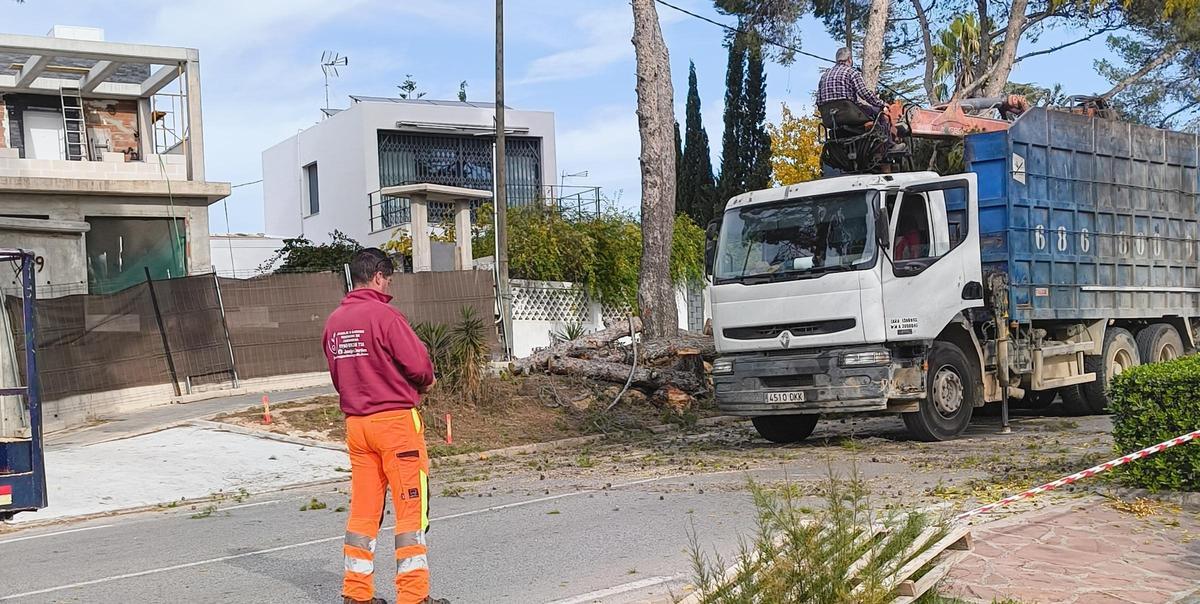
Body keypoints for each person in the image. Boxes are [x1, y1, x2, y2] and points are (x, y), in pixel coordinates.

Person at [323, 248, 449, 604]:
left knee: (364, 510)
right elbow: (420, 366)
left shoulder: (334, 322)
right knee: (411, 510)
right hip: (395, 425)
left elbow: (339, 375)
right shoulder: (385, 316)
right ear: (379, 275)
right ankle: (413, 596)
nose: (388, 286)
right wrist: (425, 383)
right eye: (388, 279)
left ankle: (356, 594)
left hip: (357, 427)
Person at [817, 47, 904, 152]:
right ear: (849, 59)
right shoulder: (851, 72)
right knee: (880, 113)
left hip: (830, 119)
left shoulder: (824, 76)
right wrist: (882, 104)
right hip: (849, 115)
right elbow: (864, 94)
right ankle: (889, 146)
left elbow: (819, 101)